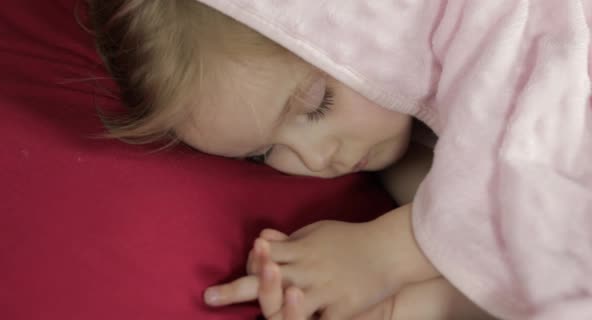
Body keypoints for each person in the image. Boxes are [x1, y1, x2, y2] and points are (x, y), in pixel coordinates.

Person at [89, 0, 592, 319]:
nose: (315, 157)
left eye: (316, 105)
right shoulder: (399, 129)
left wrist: (384, 253)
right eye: (265, 155)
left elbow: (537, 170)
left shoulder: (496, 24)